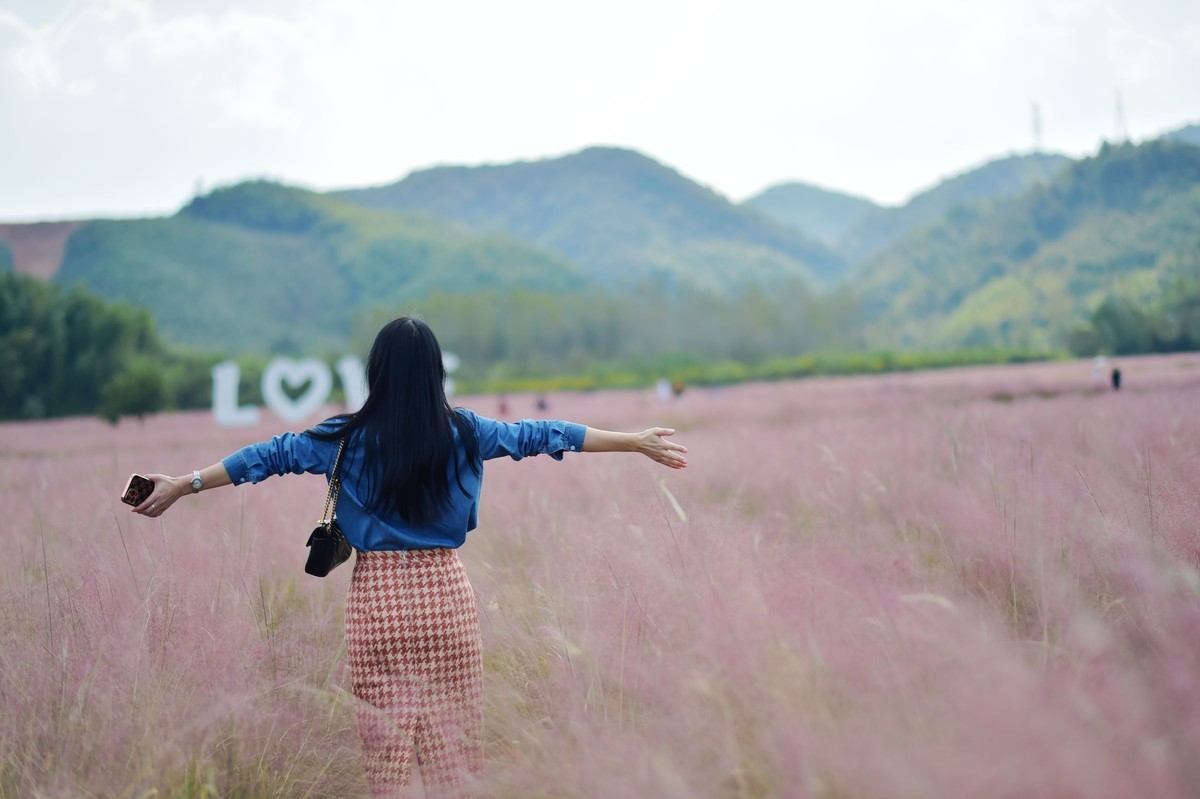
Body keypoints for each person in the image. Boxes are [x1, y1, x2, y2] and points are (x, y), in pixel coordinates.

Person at [128, 316, 688, 798]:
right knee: (456, 759)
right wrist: (633, 439)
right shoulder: (467, 432)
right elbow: (543, 434)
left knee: (387, 761)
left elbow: (267, 455)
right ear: (435, 373)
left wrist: (184, 483)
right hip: (447, 598)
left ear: (377, 373)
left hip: (377, 602)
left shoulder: (343, 437)